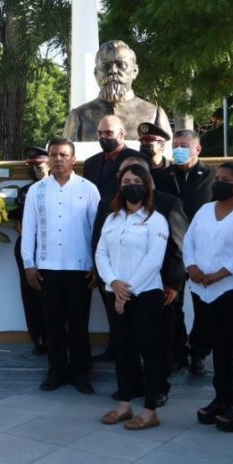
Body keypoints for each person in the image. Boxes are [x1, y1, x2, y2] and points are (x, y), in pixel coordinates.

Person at [183, 162, 233, 432]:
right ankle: (222, 398)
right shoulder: (204, 210)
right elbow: (189, 241)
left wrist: (221, 273)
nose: (218, 183)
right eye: (217, 178)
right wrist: (191, 267)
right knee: (219, 348)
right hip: (204, 290)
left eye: (226, 180)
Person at [20, 138, 100, 394]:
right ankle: (56, 372)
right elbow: (29, 229)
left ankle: (80, 373)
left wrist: (97, 265)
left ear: (73, 159)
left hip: (80, 268)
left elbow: (97, 231)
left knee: (78, 324)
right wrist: (29, 265)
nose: (58, 159)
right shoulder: (37, 191)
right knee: (52, 324)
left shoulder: (89, 189)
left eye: (63, 154)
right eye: (53, 154)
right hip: (47, 268)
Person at [96, 163, 169, 431]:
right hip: (114, 293)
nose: (130, 185)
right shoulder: (112, 218)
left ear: (147, 184)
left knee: (148, 350)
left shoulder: (155, 220)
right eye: (125, 181)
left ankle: (150, 410)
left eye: (136, 180)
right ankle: (124, 404)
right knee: (123, 351)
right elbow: (100, 253)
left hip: (145, 294)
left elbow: (153, 261)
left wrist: (126, 291)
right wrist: (113, 282)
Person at [156, 128, 216, 376]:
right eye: (176, 145)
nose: (179, 149)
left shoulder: (212, 176)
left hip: (204, 250)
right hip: (171, 250)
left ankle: (199, 353)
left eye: (184, 145)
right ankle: (177, 352)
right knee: (171, 305)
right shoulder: (160, 176)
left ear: (197, 149)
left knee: (203, 306)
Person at [62, 40, 171, 142]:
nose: (113, 70)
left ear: (134, 71)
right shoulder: (79, 116)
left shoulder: (154, 114)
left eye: (121, 65)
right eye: (106, 66)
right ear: (96, 73)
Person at [12, 146, 50, 354]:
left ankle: (56, 336)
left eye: (39, 165)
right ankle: (38, 338)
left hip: (52, 250)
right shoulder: (25, 192)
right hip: (27, 248)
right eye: (32, 166)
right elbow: (17, 222)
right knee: (30, 294)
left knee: (52, 295)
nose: (36, 169)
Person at [82, 115, 144, 200]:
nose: (103, 137)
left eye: (108, 133)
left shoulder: (138, 159)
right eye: (100, 133)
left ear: (122, 134)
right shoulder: (90, 163)